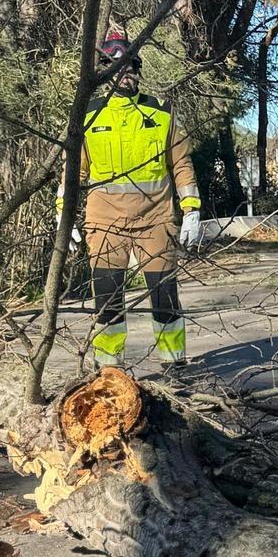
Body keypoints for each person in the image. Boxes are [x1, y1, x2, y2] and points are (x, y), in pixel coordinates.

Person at [57, 31, 202, 372]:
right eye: (115, 66)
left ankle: (174, 367)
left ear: (138, 70)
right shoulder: (88, 115)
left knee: (165, 299)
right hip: (105, 225)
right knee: (107, 303)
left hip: (156, 222)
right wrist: (64, 216)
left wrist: (192, 211)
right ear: (105, 71)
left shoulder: (162, 113)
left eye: (130, 66)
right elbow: (73, 171)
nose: (125, 73)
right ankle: (109, 371)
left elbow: (181, 165)